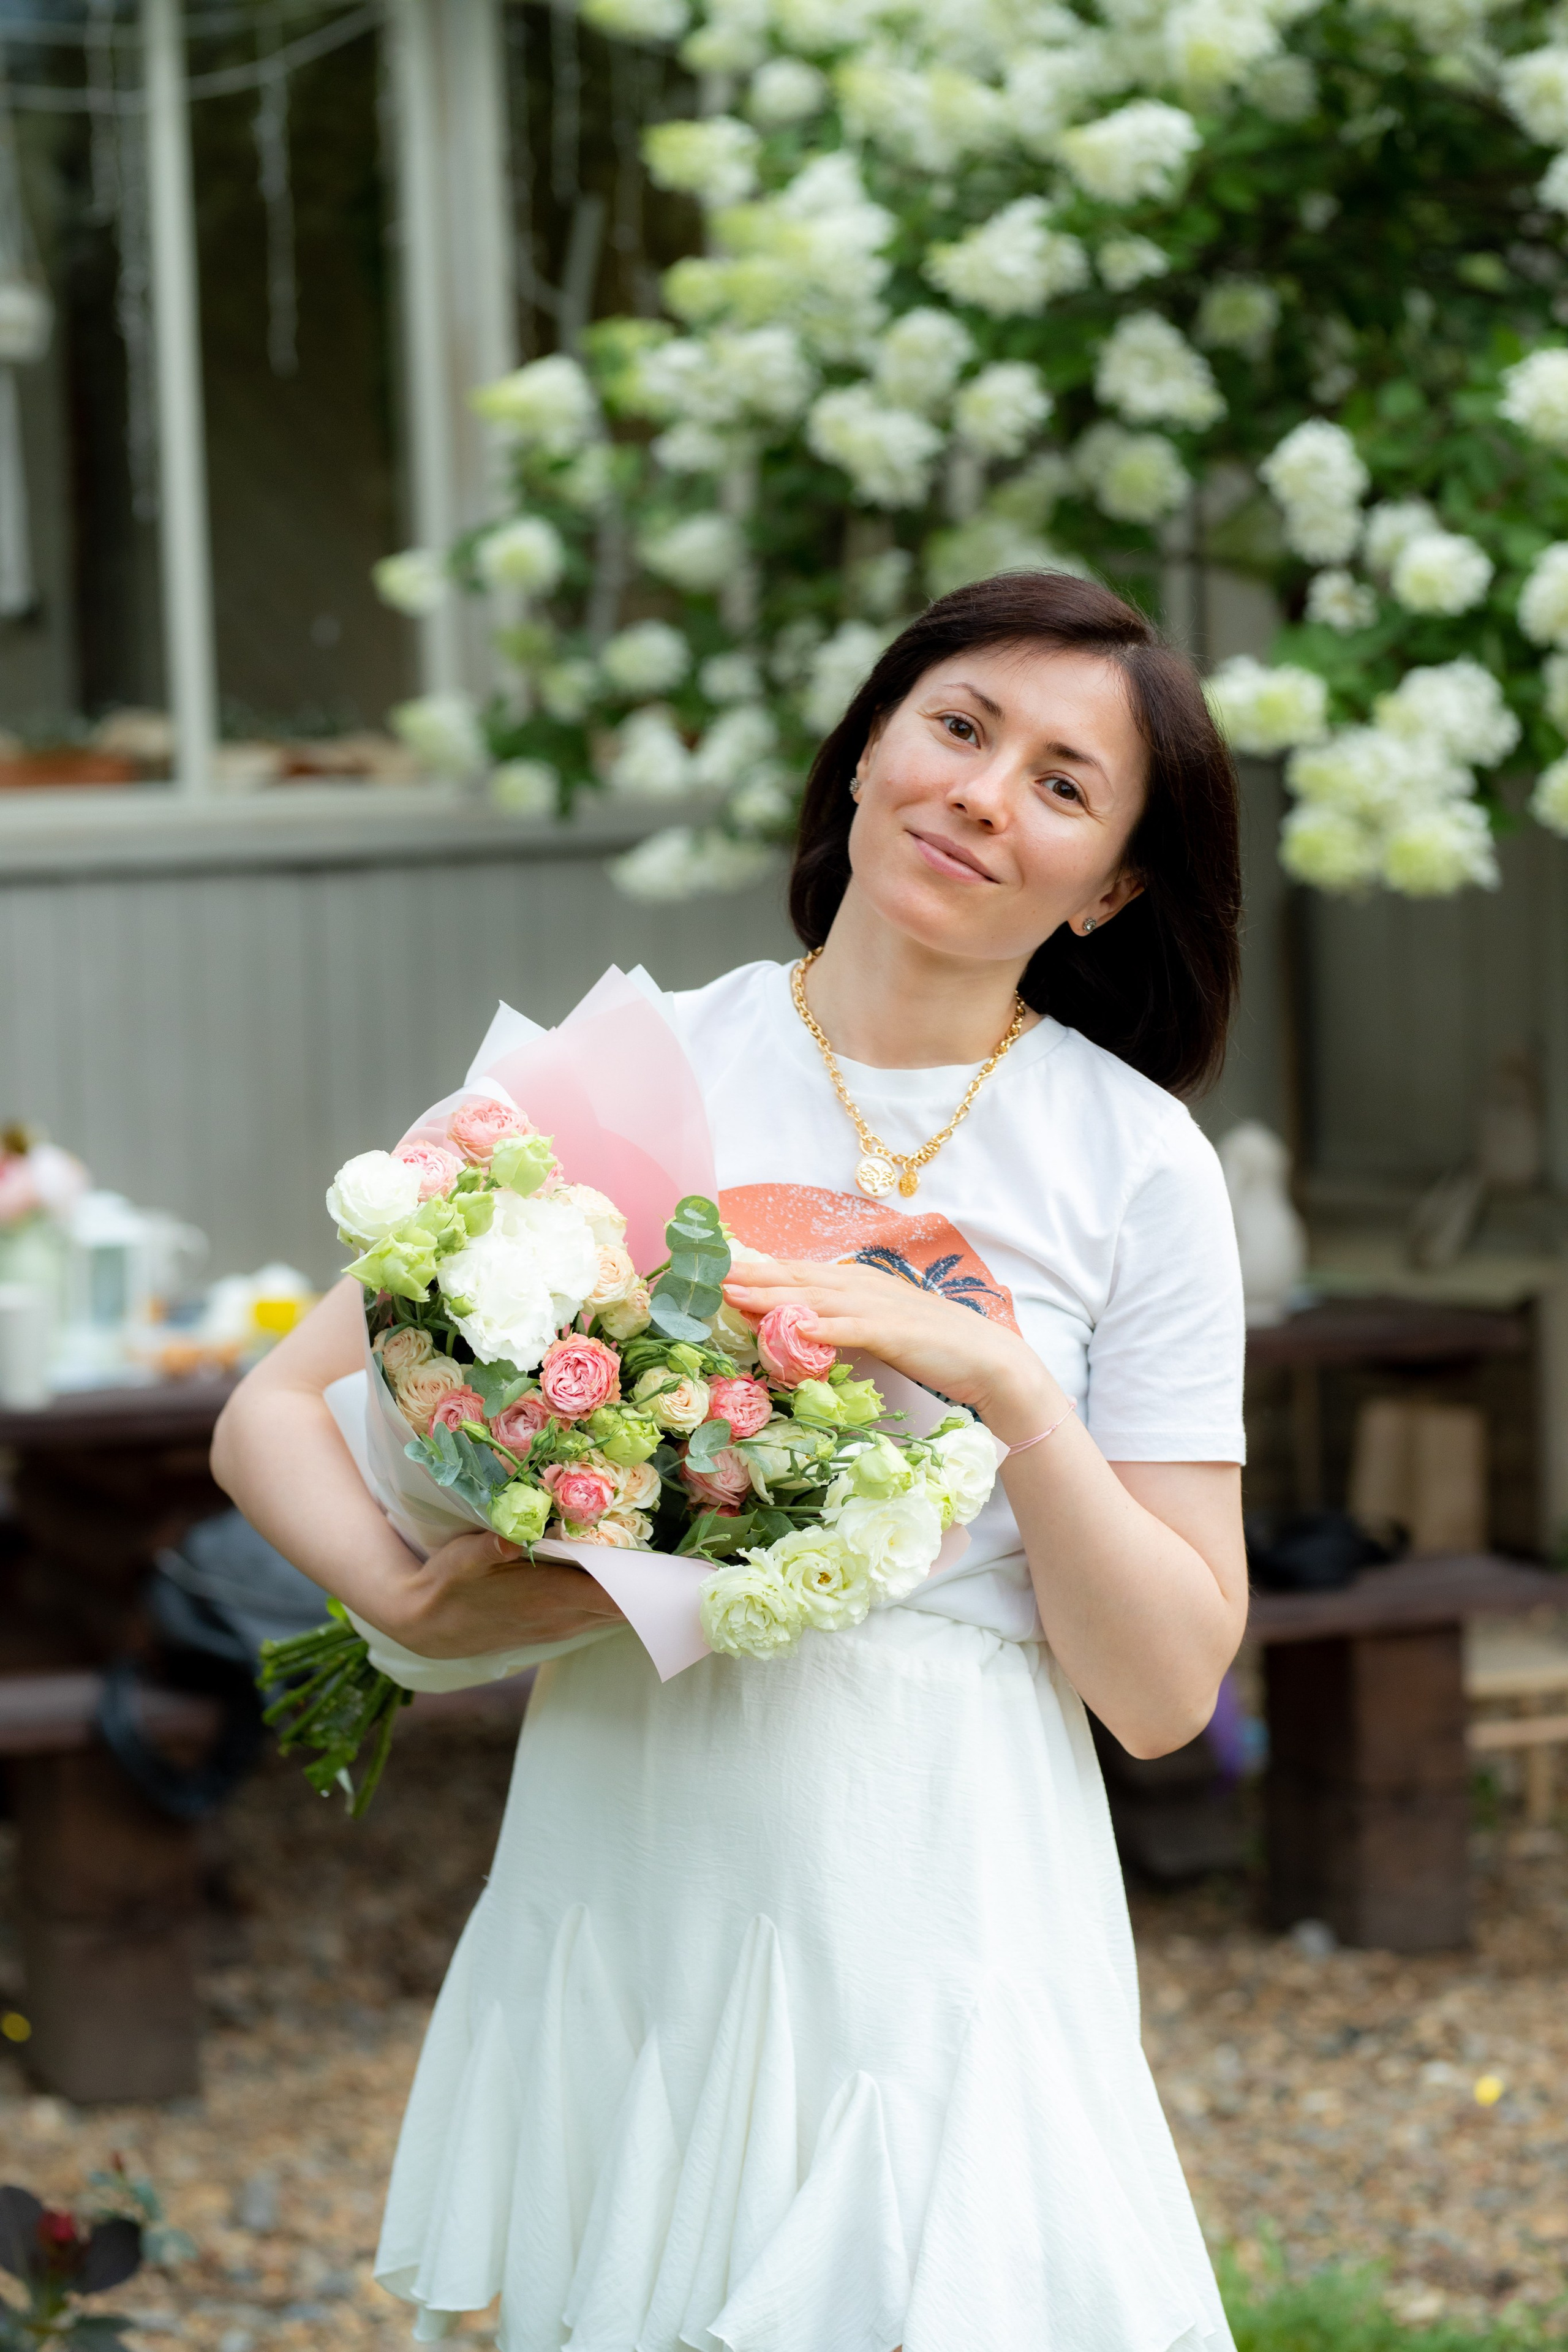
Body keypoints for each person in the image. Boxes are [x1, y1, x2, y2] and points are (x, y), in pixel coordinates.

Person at [212, 569, 1249, 2351]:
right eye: (959, 726)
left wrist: (1013, 1394)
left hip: (943, 1866)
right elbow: (275, 1412)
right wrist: (417, 1604)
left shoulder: (1136, 1162)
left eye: (1066, 786)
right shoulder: (632, 1067)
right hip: (643, 1823)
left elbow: (1163, 1691)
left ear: (1116, 886)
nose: (986, 795)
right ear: (865, 754)